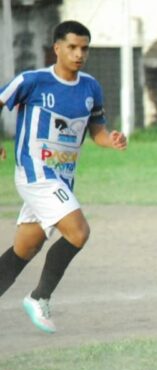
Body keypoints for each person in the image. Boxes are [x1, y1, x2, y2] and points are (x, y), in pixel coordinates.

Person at [0, 20, 128, 333]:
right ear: (57, 47)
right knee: (78, 232)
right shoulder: (32, 81)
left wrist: (109, 140)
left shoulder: (90, 87)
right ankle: (39, 296)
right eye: (72, 47)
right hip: (36, 174)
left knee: (25, 248)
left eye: (84, 48)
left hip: (62, 179)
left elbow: (95, 129)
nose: (78, 53)